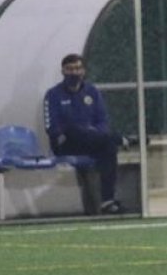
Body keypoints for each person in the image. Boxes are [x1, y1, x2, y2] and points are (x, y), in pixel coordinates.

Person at [42, 53, 128, 215]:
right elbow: (52, 127)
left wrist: (93, 133)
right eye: (70, 69)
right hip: (65, 143)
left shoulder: (92, 92)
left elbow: (102, 121)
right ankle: (122, 139)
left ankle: (107, 201)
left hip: (91, 142)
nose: (74, 73)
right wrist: (73, 131)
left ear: (84, 71)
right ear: (63, 71)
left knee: (109, 147)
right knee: (74, 129)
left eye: (77, 68)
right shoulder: (53, 94)